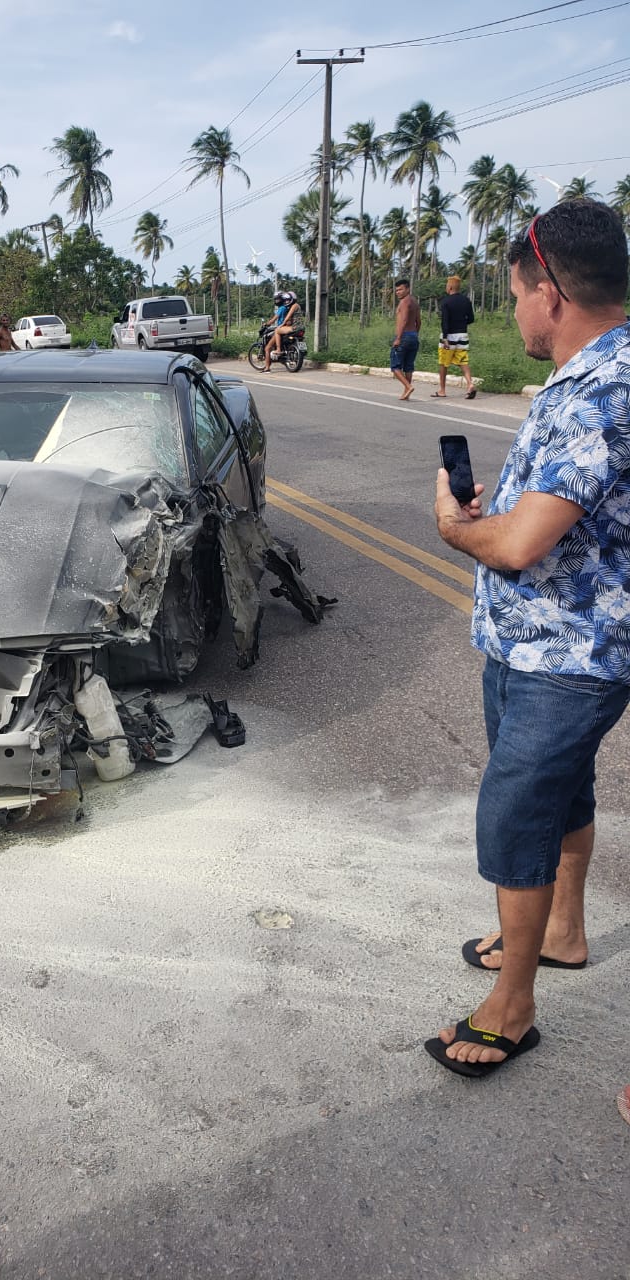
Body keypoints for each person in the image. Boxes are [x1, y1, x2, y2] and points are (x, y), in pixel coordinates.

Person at [427, 199, 630, 1078]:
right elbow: (546, 519)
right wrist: (497, 516)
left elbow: (517, 546)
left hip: (571, 652)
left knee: (515, 815)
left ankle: (513, 1004)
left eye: (515, 294)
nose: (514, 312)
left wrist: (455, 525)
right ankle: (564, 932)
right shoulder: (592, 374)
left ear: (549, 291)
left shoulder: (606, 389)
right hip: (534, 639)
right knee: (557, 795)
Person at [433, 275, 476, 399]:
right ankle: (470, 383)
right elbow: (471, 319)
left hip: (449, 336)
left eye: (447, 285)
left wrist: (445, 337)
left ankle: (442, 390)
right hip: (463, 335)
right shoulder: (466, 301)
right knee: (463, 361)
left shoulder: (446, 302)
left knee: (443, 363)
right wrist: (461, 323)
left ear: (450, 287)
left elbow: (445, 322)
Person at [390, 279, 420, 401]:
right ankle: (406, 392)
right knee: (408, 366)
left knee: (395, 366)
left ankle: (408, 386)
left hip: (403, 336)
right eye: (396, 290)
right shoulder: (414, 302)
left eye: (400, 289)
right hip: (413, 336)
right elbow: (418, 322)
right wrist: (415, 334)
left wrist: (399, 338)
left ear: (407, 289)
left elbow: (404, 321)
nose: (398, 292)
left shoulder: (404, 302)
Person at [262, 292, 302, 371]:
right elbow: (290, 319)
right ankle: (282, 358)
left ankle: (278, 350)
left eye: (288, 300)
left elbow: (286, 318)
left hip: (295, 327)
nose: (286, 302)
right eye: (285, 300)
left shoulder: (292, 306)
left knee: (275, 335)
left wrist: (281, 325)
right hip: (298, 327)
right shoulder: (291, 307)